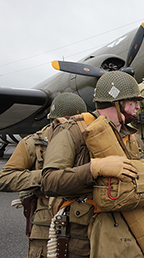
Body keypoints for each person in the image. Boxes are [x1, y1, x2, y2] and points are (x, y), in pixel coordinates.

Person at [41, 71, 144, 258]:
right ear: (116, 102)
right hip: (86, 237)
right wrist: (95, 168)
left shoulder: (133, 137)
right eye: (133, 101)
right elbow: (49, 182)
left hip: (131, 231)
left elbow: (143, 185)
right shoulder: (72, 131)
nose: (138, 106)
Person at [0, 92, 87, 258]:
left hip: (81, 217)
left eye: (73, 123)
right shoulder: (32, 143)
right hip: (44, 221)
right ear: (53, 121)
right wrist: (48, 177)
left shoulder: (87, 140)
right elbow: (4, 178)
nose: (67, 128)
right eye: (63, 122)